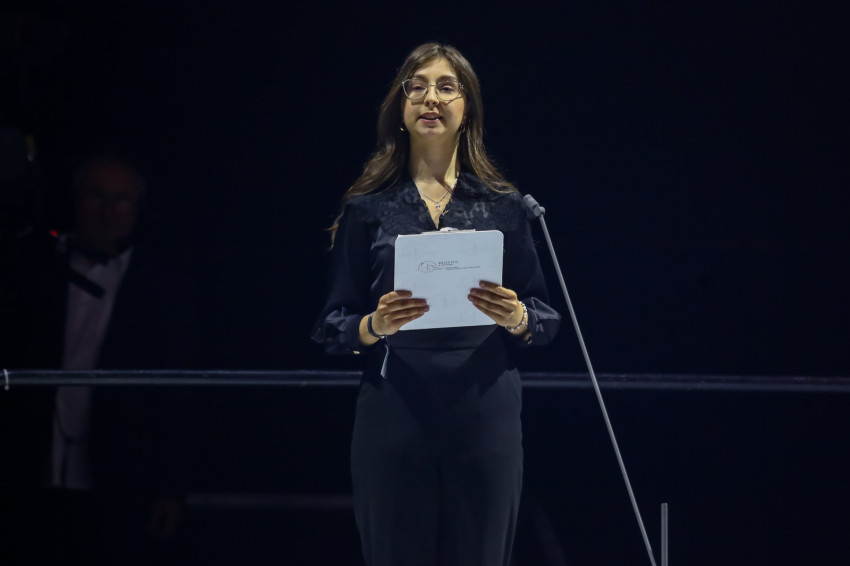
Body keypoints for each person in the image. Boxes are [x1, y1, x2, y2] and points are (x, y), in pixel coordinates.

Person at [312, 43, 561, 566]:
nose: (431, 98)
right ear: (400, 107)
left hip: (485, 408)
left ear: (467, 109)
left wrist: (517, 316)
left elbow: (545, 316)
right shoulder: (367, 209)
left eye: (447, 87)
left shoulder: (505, 206)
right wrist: (374, 324)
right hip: (394, 410)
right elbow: (333, 323)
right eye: (417, 86)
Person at [0, 153, 196, 565]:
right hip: (29, 468)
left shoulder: (161, 291)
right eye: (97, 196)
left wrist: (170, 488)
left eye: (121, 200)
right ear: (76, 202)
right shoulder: (35, 275)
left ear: (138, 209)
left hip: (118, 477)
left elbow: (176, 398)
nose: (109, 210)